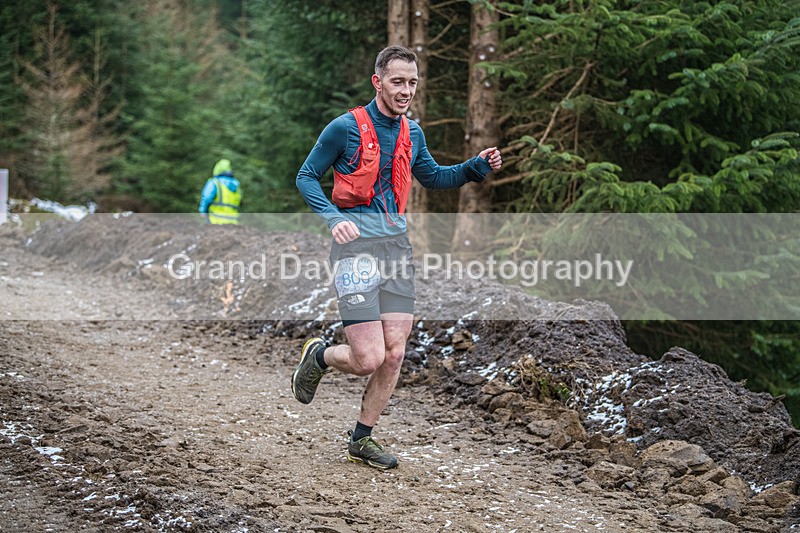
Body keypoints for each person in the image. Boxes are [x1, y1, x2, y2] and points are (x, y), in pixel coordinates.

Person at [292, 45, 502, 469]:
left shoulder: (413, 132)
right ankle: (319, 356)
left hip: (396, 250)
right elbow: (306, 176)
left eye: (412, 82)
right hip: (355, 251)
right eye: (397, 81)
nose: (406, 90)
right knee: (367, 358)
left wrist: (474, 167)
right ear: (378, 82)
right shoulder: (344, 128)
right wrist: (333, 218)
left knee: (395, 354)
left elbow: (434, 177)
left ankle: (361, 439)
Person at [199, 159, 242, 224]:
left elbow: (206, 198)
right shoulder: (236, 185)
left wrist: (203, 211)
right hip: (233, 222)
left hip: (215, 221)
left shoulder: (214, 182)